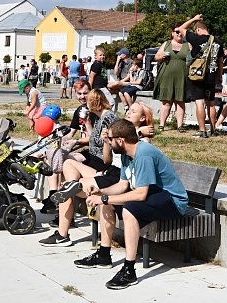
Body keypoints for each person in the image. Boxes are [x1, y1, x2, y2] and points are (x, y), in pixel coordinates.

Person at [81, 119, 188, 289]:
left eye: (110, 139)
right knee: (107, 204)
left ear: (120, 140)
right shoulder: (126, 154)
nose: (108, 142)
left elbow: (140, 194)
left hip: (173, 201)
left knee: (130, 208)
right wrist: (102, 193)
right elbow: (122, 185)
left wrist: (104, 198)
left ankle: (129, 270)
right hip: (154, 195)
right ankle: (103, 255)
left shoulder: (143, 154)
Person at [39, 89, 119, 246]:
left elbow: (109, 148)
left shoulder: (109, 117)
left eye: (88, 100)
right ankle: (69, 188)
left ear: (95, 102)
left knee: (67, 171)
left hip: (102, 162)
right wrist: (88, 123)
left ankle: (62, 233)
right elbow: (94, 140)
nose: (85, 103)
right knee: (67, 166)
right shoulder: (99, 117)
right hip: (95, 158)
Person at [178, 15, 224, 138]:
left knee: (199, 102)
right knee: (211, 103)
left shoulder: (196, 38)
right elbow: (220, 61)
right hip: (212, 75)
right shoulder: (218, 41)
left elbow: (180, 28)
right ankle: (213, 130)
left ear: (198, 29)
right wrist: (219, 76)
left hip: (197, 75)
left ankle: (202, 131)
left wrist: (194, 19)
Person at [153, 25, 190, 132]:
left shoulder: (188, 45)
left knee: (180, 101)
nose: (178, 34)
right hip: (166, 76)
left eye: (180, 32)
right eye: (176, 32)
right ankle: (161, 125)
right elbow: (156, 57)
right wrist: (162, 56)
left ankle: (179, 126)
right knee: (166, 102)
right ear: (172, 33)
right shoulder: (167, 43)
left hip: (182, 76)